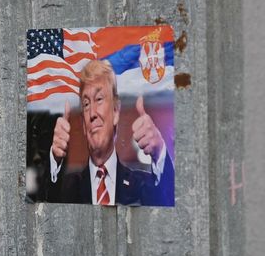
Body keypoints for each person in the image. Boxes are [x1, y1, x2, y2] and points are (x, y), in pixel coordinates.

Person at [45, 60, 174, 206]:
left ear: (116, 111)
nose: (92, 113)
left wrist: (159, 151)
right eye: (86, 104)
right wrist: (54, 159)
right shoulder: (67, 188)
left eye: (99, 99)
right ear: (82, 123)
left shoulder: (142, 186)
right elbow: (46, 204)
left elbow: (170, 203)